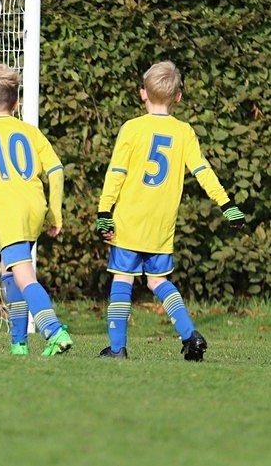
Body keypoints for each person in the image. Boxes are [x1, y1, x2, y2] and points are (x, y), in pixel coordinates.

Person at [96, 61, 246, 360]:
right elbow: (203, 170)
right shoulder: (184, 132)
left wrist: (104, 212)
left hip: (129, 221)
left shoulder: (132, 128)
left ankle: (117, 348)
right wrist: (227, 204)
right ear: (178, 97)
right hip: (161, 225)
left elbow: (116, 173)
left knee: (123, 279)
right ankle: (191, 336)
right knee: (157, 281)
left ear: (142, 94)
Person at [0, 63, 72, 356]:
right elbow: (56, 170)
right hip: (34, 205)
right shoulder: (29, 132)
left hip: (9, 212)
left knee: (22, 274)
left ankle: (53, 331)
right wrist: (54, 212)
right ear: (16, 102)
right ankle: (18, 344)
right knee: (9, 271)